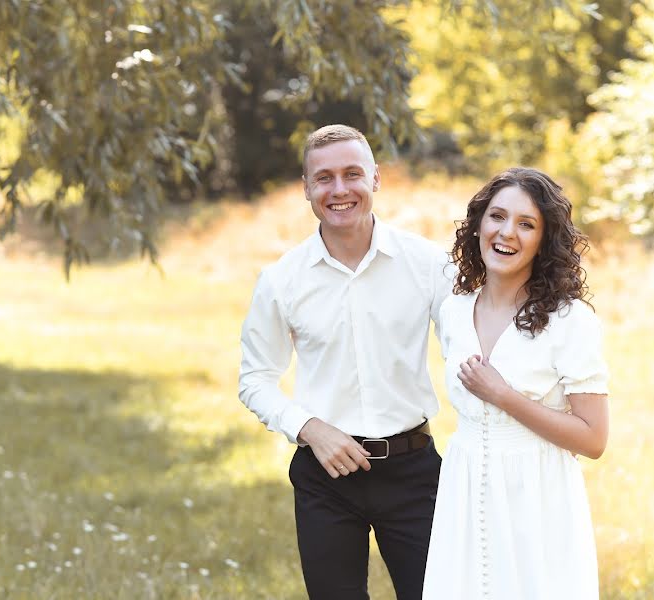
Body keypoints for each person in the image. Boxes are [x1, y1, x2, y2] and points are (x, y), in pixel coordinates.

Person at [238, 124, 451, 599]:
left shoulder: (428, 264)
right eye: (324, 178)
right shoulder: (281, 280)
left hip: (413, 471)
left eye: (352, 174)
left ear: (375, 179)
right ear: (307, 189)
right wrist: (310, 428)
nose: (339, 190)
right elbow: (255, 379)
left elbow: (470, 350)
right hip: (324, 476)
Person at [422, 167, 609, 600]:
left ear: (544, 241)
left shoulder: (569, 320)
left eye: (527, 224)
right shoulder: (453, 309)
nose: (507, 232)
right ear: (478, 225)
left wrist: (503, 396)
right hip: (464, 491)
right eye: (497, 216)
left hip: (537, 498)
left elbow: (594, 439)